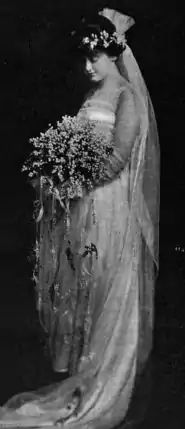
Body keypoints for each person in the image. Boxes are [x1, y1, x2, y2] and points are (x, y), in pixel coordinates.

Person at [0, 8, 160, 429]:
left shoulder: (127, 96)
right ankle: (78, 375)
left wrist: (76, 177)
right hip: (80, 205)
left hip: (107, 205)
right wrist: (53, 171)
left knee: (103, 279)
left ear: (113, 54)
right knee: (80, 281)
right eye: (84, 60)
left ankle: (100, 378)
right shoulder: (91, 97)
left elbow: (119, 158)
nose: (88, 68)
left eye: (95, 59)